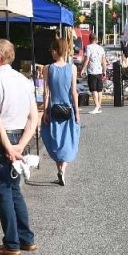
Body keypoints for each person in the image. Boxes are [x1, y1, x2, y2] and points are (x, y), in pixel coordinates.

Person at [0, 39, 39, 255]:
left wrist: (8, 148)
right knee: (15, 190)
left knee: (4, 190)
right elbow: (33, 118)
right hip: (19, 136)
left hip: (1, 139)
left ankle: (11, 243)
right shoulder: (24, 81)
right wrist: (19, 147)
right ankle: (26, 238)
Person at [41, 38, 81, 186]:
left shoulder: (47, 68)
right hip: (68, 109)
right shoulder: (72, 68)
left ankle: (59, 168)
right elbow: (74, 92)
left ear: (54, 50)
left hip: (53, 109)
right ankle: (63, 169)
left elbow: (46, 92)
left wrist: (45, 111)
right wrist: (76, 112)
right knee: (68, 139)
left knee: (54, 139)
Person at [83, 37, 107, 114]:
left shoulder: (88, 47)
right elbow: (103, 60)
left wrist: (83, 69)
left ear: (89, 39)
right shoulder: (101, 48)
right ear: (96, 40)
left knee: (93, 89)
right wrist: (104, 70)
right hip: (99, 70)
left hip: (92, 70)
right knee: (99, 89)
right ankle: (99, 106)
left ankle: (96, 106)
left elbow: (87, 59)